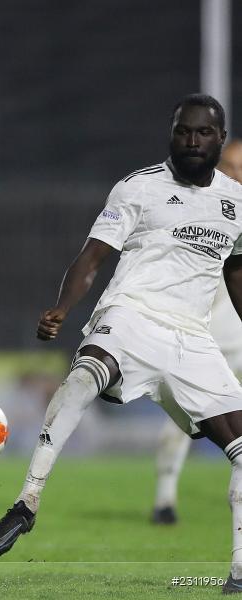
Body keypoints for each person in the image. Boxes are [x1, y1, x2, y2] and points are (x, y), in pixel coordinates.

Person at [0, 94, 242, 593]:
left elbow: (235, 271)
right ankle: (27, 501)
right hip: (131, 316)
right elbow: (94, 257)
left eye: (202, 133)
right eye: (183, 131)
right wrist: (63, 307)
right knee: (84, 374)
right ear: (171, 134)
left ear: (219, 139)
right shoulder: (138, 188)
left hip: (192, 337)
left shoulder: (236, 202)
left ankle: (238, 572)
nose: (191, 140)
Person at [149, 138, 242, 525]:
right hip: (209, 331)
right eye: (232, 166)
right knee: (189, 417)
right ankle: (165, 499)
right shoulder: (203, 210)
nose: (235, 173)